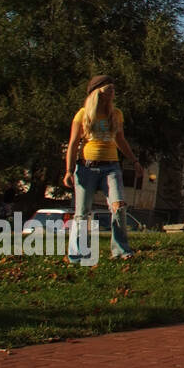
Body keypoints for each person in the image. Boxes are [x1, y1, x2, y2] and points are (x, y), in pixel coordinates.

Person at [64, 75, 142, 260]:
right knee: (82, 213)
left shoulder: (116, 114)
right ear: (98, 92)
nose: (113, 93)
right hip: (86, 167)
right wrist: (68, 170)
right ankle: (80, 254)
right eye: (109, 89)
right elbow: (74, 143)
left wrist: (135, 161)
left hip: (111, 168)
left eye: (114, 89)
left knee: (119, 206)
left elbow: (120, 140)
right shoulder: (83, 114)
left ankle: (121, 251)